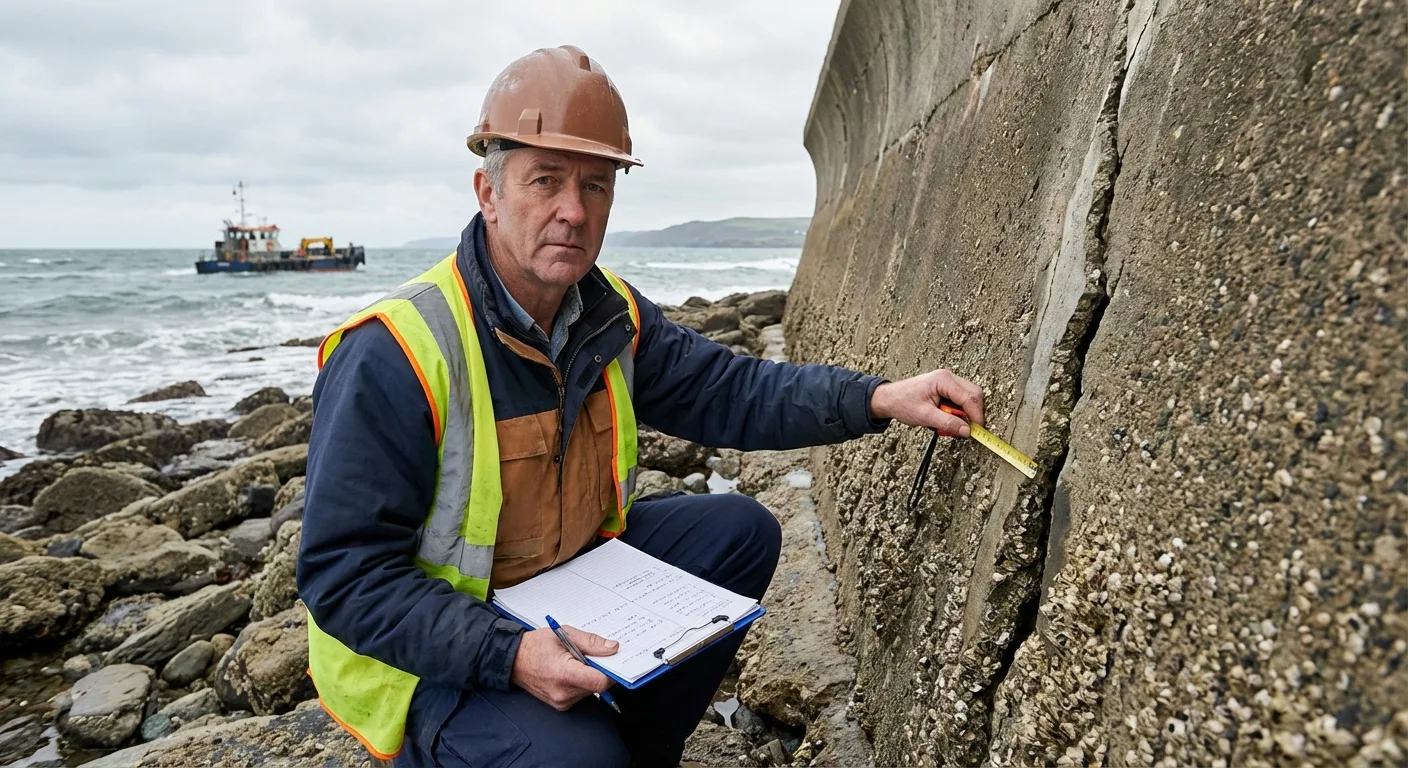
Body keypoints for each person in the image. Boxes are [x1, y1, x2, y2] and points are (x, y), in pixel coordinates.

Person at [297, 45, 985, 768]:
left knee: (739, 533)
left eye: (596, 186)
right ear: (488, 191)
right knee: (578, 760)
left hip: (556, 591)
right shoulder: (395, 351)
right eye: (546, 181)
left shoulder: (610, 313)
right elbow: (346, 576)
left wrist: (875, 396)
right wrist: (512, 654)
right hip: (435, 659)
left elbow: (733, 391)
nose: (573, 210)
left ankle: (634, 751)